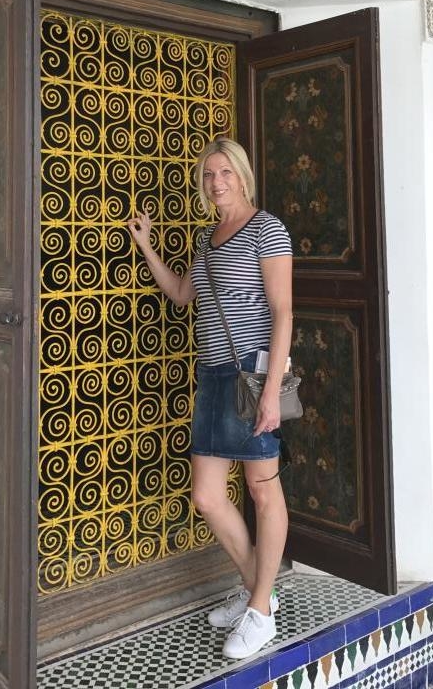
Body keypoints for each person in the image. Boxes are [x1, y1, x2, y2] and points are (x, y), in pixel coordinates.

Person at [127, 137, 293, 660]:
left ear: (242, 175)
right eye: (208, 175)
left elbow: (283, 312)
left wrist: (271, 391)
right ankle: (257, 588)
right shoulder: (207, 237)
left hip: (253, 375)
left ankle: (260, 611)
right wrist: (146, 246)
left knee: (262, 491)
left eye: (225, 172)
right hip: (214, 375)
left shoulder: (266, 228)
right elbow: (182, 294)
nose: (216, 182)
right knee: (207, 496)